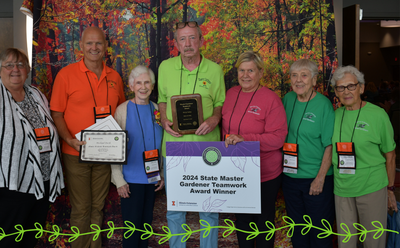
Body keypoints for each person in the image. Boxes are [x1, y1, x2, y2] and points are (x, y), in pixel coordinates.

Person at [0, 48, 64, 248]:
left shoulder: (36, 93)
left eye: (20, 65)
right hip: (8, 185)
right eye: (9, 65)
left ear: (27, 70)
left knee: (30, 236)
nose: (15, 69)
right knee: (6, 239)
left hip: (40, 183)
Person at [51, 26, 125, 248]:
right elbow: (56, 112)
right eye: (89, 43)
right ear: (81, 46)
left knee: (97, 207)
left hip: (104, 154)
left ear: (105, 47)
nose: (94, 47)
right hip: (76, 152)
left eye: (99, 43)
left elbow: (120, 111)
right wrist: (69, 139)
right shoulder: (66, 75)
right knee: (81, 208)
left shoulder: (115, 77)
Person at [158, 21, 225, 248]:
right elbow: (161, 100)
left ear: (201, 41)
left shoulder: (215, 70)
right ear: (175, 44)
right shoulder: (165, 67)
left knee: (208, 210)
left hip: (207, 149)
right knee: (176, 209)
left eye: (192, 38)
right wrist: (163, 119)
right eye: (182, 39)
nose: (188, 44)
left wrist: (214, 119)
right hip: (174, 148)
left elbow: (219, 104)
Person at [221, 51, 287, 248]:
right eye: (242, 70)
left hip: (264, 173)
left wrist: (244, 139)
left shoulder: (271, 99)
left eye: (251, 70)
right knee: (242, 220)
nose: (245, 75)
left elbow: (277, 138)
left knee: (263, 221)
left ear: (260, 72)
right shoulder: (231, 94)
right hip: (237, 171)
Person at [331, 65, 397, 248]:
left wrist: (390, 189)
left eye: (351, 86)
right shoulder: (334, 116)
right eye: (340, 87)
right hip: (342, 188)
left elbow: (390, 155)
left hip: (372, 186)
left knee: (373, 242)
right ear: (336, 91)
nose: (346, 92)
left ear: (361, 87)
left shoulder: (378, 115)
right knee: (346, 243)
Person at [282, 59, 334, 248]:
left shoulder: (324, 105)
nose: (298, 80)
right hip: (290, 177)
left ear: (314, 80)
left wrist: (320, 178)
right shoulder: (287, 100)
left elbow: (329, 145)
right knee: (298, 230)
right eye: (294, 75)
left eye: (304, 75)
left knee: (319, 232)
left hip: (316, 179)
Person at [111, 65, 164, 248]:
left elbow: (162, 143)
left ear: (152, 85)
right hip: (130, 180)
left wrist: (162, 173)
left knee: (145, 229)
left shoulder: (158, 110)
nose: (143, 87)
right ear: (131, 86)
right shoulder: (122, 110)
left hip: (152, 179)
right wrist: (119, 180)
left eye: (147, 82)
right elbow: (113, 149)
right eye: (138, 82)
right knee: (132, 230)